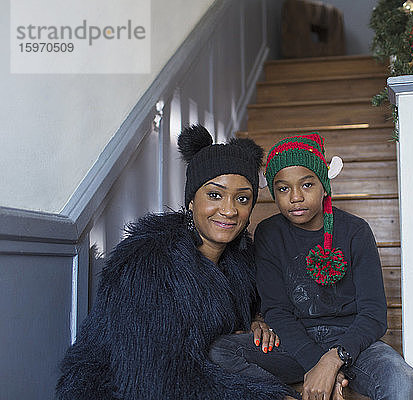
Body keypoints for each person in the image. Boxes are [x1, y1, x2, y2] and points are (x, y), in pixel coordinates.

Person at [55, 125, 294, 400]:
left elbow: (262, 305)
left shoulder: (242, 260)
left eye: (242, 198)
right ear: (191, 202)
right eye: (215, 195)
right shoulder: (150, 264)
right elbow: (160, 381)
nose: (229, 210)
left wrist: (258, 318)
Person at [209, 133, 413, 400]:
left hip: (353, 345)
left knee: (402, 379)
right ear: (273, 192)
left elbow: (374, 315)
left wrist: (332, 362)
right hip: (294, 343)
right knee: (221, 351)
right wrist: (315, 365)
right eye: (283, 188)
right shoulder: (269, 233)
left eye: (307, 185)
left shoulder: (355, 231)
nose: (295, 197)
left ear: (324, 185)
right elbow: (277, 310)